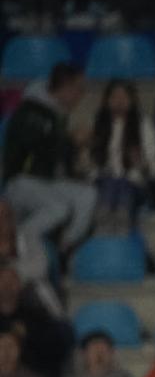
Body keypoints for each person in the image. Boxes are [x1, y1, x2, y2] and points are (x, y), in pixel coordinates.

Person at [3, 63, 96, 253]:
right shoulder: (29, 111)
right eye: (79, 89)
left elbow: (58, 159)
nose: (81, 95)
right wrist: (70, 139)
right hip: (20, 181)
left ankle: (66, 245)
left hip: (46, 183)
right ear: (66, 86)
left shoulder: (57, 114)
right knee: (58, 209)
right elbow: (37, 150)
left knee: (88, 194)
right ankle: (16, 239)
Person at [84, 79, 155, 233]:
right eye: (114, 97)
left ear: (132, 100)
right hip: (103, 183)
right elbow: (88, 167)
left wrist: (140, 163)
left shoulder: (144, 125)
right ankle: (104, 229)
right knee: (110, 183)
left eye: (124, 97)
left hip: (133, 185)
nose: (119, 101)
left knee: (123, 186)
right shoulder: (96, 125)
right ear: (106, 101)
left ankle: (120, 228)